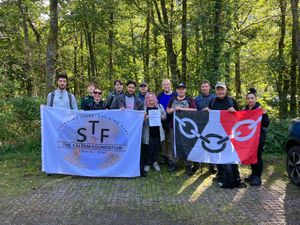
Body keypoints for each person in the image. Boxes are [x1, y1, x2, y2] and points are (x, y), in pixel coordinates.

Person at [205, 81, 246, 188]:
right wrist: (206, 111)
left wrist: (235, 111)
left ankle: (236, 177)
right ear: (216, 91)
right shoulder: (212, 101)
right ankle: (221, 175)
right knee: (218, 155)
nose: (220, 91)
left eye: (222, 89)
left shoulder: (232, 101)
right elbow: (209, 117)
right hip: (217, 134)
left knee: (232, 156)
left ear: (225, 90)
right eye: (218, 89)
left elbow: (240, 117)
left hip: (230, 134)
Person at [166, 82, 197, 176]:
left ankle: (188, 165)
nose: (181, 90)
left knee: (187, 145)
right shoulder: (173, 99)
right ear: (176, 90)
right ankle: (174, 163)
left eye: (183, 88)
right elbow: (168, 110)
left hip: (186, 128)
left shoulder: (189, 99)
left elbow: (194, 110)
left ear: (185, 90)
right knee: (174, 144)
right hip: (173, 126)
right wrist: (173, 109)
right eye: (179, 89)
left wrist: (181, 109)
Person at [244, 88, 270, 186]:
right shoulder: (245, 110)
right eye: (248, 98)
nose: (250, 100)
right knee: (252, 156)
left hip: (259, 138)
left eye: (252, 98)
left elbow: (266, 124)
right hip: (249, 138)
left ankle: (257, 177)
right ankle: (253, 174)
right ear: (246, 100)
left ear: (255, 99)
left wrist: (264, 115)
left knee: (258, 157)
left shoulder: (260, 110)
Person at [194, 80, 216, 173]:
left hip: (212, 125)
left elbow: (219, 110)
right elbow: (193, 112)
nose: (204, 88)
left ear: (209, 87)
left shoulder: (215, 98)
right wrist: (203, 110)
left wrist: (210, 110)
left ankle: (212, 165)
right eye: (203, 87)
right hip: (200, 125)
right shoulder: (197, 99)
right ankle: (196, 164)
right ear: (201, 88)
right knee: (198, 145)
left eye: (206, 86)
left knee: (212, 145)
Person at [142, 92, 166, 173]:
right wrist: (145, 117)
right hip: (148, 131)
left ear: (155, 98)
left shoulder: (159, 106)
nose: (150, 99)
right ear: (146, 99)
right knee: (149, 147)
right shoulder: (144, 107)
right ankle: (147, 163)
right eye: (149, 97)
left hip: (158, 131)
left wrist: (160, 116)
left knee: (156, 147)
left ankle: (155, 162)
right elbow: (140, 118)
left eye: (152, 97)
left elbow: (164, 116)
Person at [157, 79, 177, 164]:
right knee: (163, 139)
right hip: (162, 121)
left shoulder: (175, 95)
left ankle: (170, 157)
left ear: (170, 85)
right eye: (164, 85)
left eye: (167, 84)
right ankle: (164, 156)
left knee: (171, 140)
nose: (166, 86)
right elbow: (156, 106)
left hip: (173, 121)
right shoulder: (160, 95)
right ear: (162, 86)